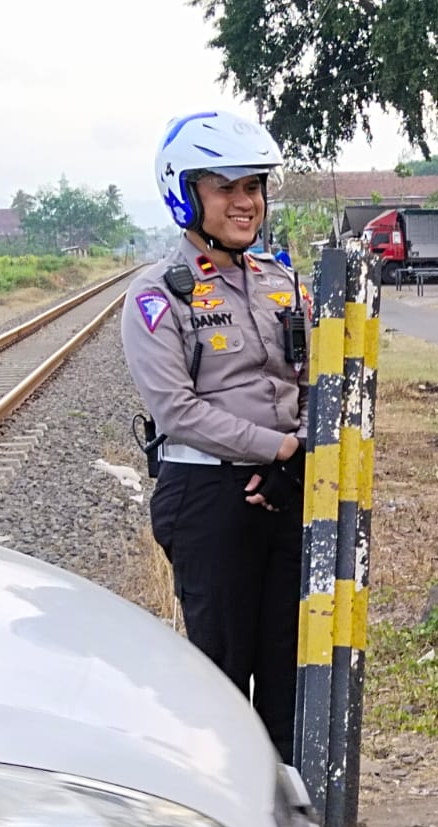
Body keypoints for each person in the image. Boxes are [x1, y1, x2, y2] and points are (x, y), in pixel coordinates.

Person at [121, 110, 309, 763]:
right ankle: (232, 817)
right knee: (222, 669)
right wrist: (279, 450)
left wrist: (298, 454)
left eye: (252, 186)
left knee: (289, 665)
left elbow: (313, 382)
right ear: (186, 191)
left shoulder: (281, 284)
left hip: (284, 493)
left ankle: (291, 820)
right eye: (224, 186)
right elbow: (177, 408)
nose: (244, 202)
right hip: (206, 497)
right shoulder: (157, 296)